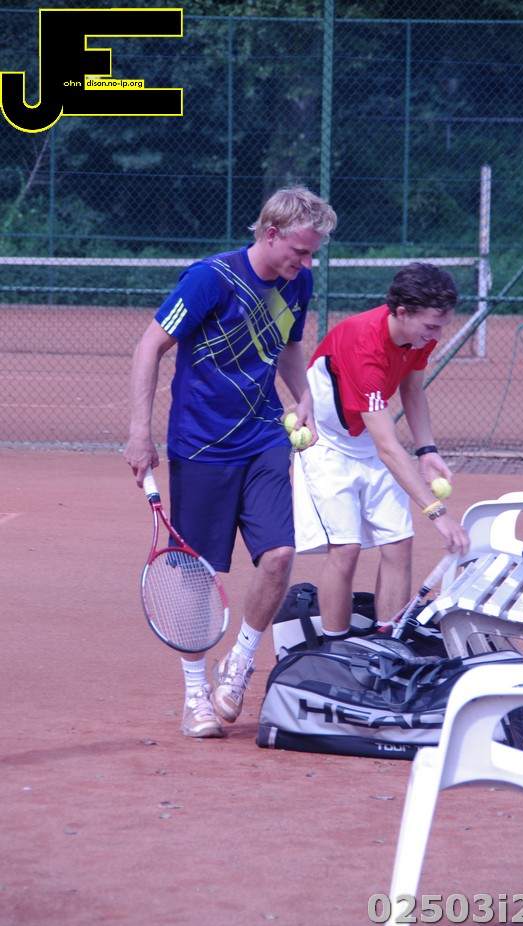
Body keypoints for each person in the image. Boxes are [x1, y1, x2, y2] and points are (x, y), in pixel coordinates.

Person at [125, 186, 337, 738]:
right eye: (301, 250)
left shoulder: (296, 282)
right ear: (271, 233)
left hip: (264, 438)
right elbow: (150, 346)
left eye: (312, 254)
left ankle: (239, 665)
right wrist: (139, 432)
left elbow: (287, 344)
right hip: (200, 446)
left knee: (280, 555)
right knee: (199, 575)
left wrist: (304, 398)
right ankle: (195, 694)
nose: (306, 263)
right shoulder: (210, 279)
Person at [293, 261, 470, 638]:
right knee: (346, 549)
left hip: (368, 441)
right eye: (432, 326)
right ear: (402, 312)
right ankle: (336, 648)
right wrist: (437, 513)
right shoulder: (364, 344)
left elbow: (412, 389)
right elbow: (388, 447)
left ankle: (388, 640)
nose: (438, 335)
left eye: (442, 325)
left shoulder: (418, 335)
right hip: (328, 446)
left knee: (398, 543)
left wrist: (427, 450)